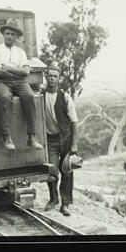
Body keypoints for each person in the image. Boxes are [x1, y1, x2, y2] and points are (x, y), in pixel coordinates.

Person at [0, 18, 43, 150]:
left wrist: (7, 67)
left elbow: (25, 72)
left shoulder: (21, 52)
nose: (10, 36)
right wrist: (16, 71)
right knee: (5, 98)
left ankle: (32, 136)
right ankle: (6, 136)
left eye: (13, 34)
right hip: (1, 82)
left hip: (20, 82)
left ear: (16, 37)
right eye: (8, 33)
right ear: (3, 34)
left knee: (30, 96)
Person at [42, 64, 79, 216]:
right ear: (46, 77)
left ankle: (65, 203)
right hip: (50, 140)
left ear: (59, 78)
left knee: (67, 172)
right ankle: (53, 199)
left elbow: (74, 121)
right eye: (50, 75)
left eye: (55, 76)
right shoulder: (41, 96)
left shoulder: (65, 97)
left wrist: (74, 144)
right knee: (51, 170)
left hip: (65, 138)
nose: (52, 78)